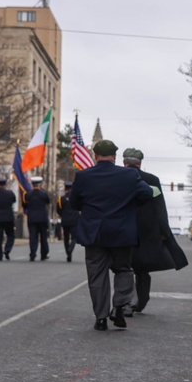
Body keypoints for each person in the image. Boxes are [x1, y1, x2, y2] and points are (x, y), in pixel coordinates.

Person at [69, 140, 154, 330]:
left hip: (94, 233)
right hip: (121, 232)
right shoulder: (129, 175)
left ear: (95, 156)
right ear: (114, 157)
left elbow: (74, 203)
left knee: (97, 276)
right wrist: (129, 205)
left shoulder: (83, 176)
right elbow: (147, 194)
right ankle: (119, 307)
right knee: (123, 269)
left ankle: (100, 318)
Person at [122, 148, 188, 313]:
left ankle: (126, 302)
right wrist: (164, 232)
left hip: (122, 230)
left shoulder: (117, 178)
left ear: (124, 162)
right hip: (147, 232)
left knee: (125, 268)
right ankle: (140, 300)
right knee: (142, 269)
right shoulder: (152, 180)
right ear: (140, 163)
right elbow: (160, 208)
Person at [23, 177, 51, 261]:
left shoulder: (27, 195)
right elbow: (48, 202)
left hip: (32, 219)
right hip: (42, 219)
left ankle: (32, 254)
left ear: (32, 184)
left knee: (33, 237)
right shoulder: (44, 194)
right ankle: (43, 254)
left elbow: (24, 206)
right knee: (43, 237)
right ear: (40, 184)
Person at [0, 177, 16, 261]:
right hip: (8, 218)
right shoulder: (10, 193)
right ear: (5, 184)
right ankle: (7, 249)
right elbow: (14, 201)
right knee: (11, 235)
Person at [58, 181, 80, 262]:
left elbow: (58, 209)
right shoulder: (76, 197)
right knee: (74, 237)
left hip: (65, 220)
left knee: (66, 238)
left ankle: (68, 252)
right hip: (74, 220)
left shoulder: (61, 198)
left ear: (65, 188)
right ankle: (70, 249)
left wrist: (63, 215)